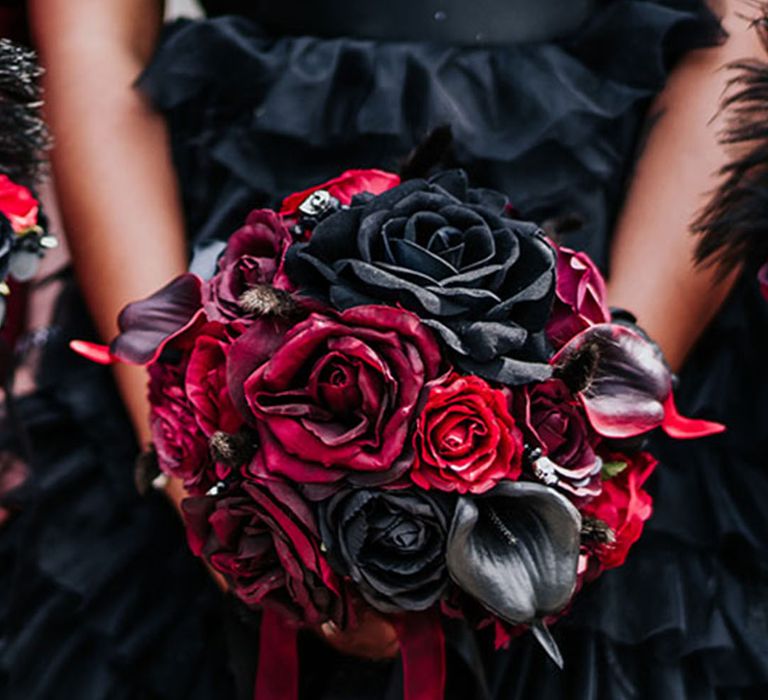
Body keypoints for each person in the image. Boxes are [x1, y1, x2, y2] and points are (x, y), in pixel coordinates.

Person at [0, 0, 766, 697]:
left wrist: (602, 405)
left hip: (635, 253)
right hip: (215, 272)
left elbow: (742, 25)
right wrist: (198, 461)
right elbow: (95, 39)